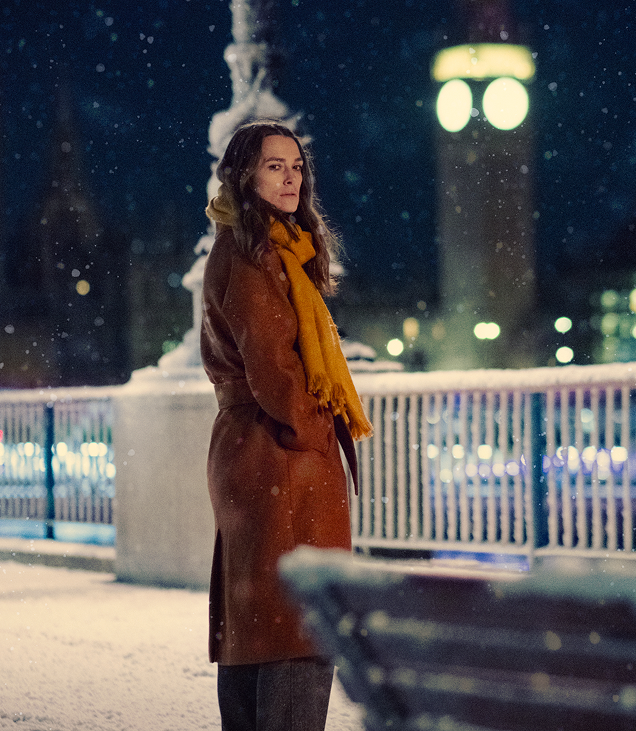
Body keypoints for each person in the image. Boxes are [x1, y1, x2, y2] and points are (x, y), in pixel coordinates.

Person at [199, 119, 372, 731]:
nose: (291, 177)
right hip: (276, 453)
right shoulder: (256, 255)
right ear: (244, 176)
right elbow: (273, 367)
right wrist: (315, 433)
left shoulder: (260, 248)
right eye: (274, 166)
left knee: (259, 622)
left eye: (296, 166)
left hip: (256, 451)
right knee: (297, 624)